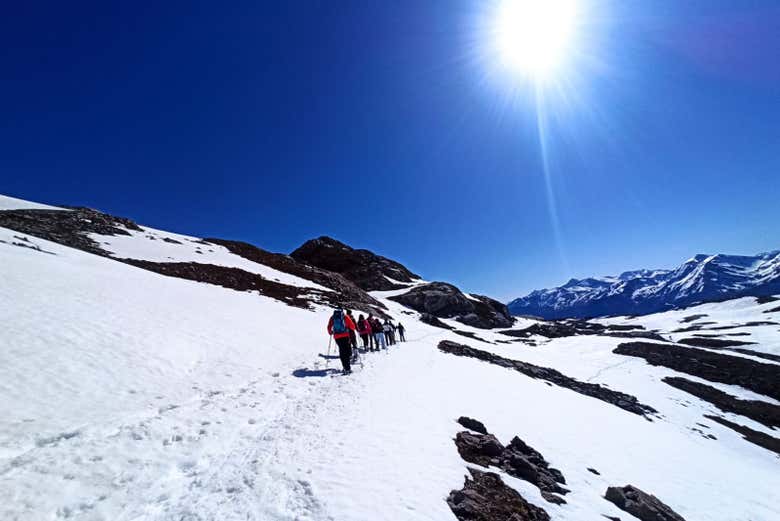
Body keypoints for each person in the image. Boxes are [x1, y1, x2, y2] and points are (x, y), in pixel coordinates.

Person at [327, 308, 356, 374]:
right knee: (347, 351)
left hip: (337, 337)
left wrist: (330, 332)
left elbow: (329, 326)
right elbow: (352, 326)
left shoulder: (332, 317)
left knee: (342, 351)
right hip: (345, 336)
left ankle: (345, 367)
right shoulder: (345, 316)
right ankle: (347, 368)